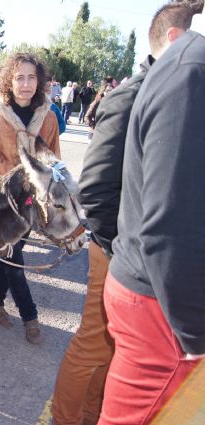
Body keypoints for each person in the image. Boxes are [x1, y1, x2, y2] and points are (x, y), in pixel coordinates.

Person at [50, 3, 193, 424]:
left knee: (117, 350)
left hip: (140, 254)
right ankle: (63, 418)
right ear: (176, 38)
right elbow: (93, 189)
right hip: (119, 251)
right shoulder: (133, 94)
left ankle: (93, 414)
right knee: (94, 346)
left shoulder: (173, 90)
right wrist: (121, 248)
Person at [99, 2, 205, 423]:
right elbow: (170, 229)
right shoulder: (192, 73)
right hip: (166, 309)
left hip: (159, 294)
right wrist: (195, 337)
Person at [0, 52, 60, 344]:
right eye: (19, 77)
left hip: (29, 201)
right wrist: (22, 177)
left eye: (32, 77)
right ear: (9, 80)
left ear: (40, 81)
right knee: (13, 255)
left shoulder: (47, 117)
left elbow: (52, 159)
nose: (25, 84)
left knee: (9, 254)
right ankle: (30, 316)